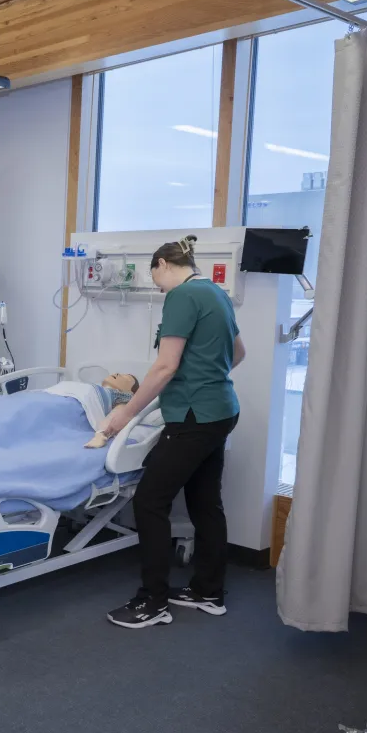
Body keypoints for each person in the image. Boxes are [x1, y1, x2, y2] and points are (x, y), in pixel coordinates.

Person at [101, 236, 246, 629]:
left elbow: (164, 368)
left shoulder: (182, 296)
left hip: (193, 417)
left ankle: (153, 602)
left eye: (155, 277)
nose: (157, 285)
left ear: (163, 264)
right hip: (221, 410)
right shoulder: (216, 293)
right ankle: (208, 592)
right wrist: (207, 379)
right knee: (204, 501)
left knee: (149, 501)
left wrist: (124, 414)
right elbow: (239, 354)